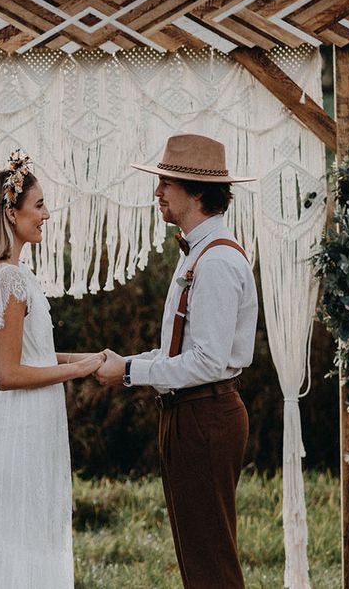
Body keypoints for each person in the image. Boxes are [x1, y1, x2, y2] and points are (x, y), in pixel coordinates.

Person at [95, 133, 258, 589]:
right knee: (197, 555)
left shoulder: (218, 263)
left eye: (167, 182)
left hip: (206, 413)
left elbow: (206, 362)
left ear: (196, 193)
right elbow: (178, 354)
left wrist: (129, 372)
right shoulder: (198, 254)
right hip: (188, 413)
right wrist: (127, 361)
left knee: (211, 561)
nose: (158, 191)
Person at [0, 150, 105, 588]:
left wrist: (86, 359)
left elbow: (30, 355)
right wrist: (77, 373)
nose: (47, 215)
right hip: (14, 429)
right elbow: (8, 373)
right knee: (18, 537)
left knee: (28, 534)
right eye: (38, 206)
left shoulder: (8, 274)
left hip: (28, 424)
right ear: (10, 213)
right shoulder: (7, 280)